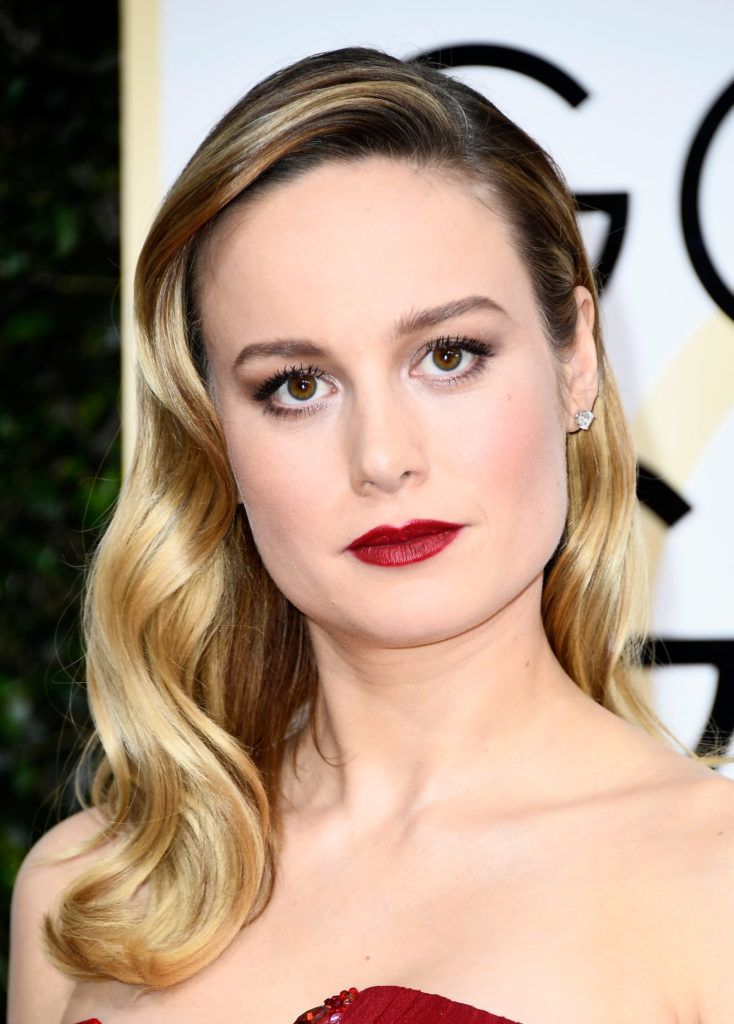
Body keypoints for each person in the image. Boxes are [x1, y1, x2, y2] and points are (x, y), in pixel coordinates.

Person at [8, 45, 734, 1024]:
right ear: (215, 434)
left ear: (574, 356)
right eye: (295, 385)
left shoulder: (709, 883)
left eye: (447, 354)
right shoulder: (90, 890)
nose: (382, 457)